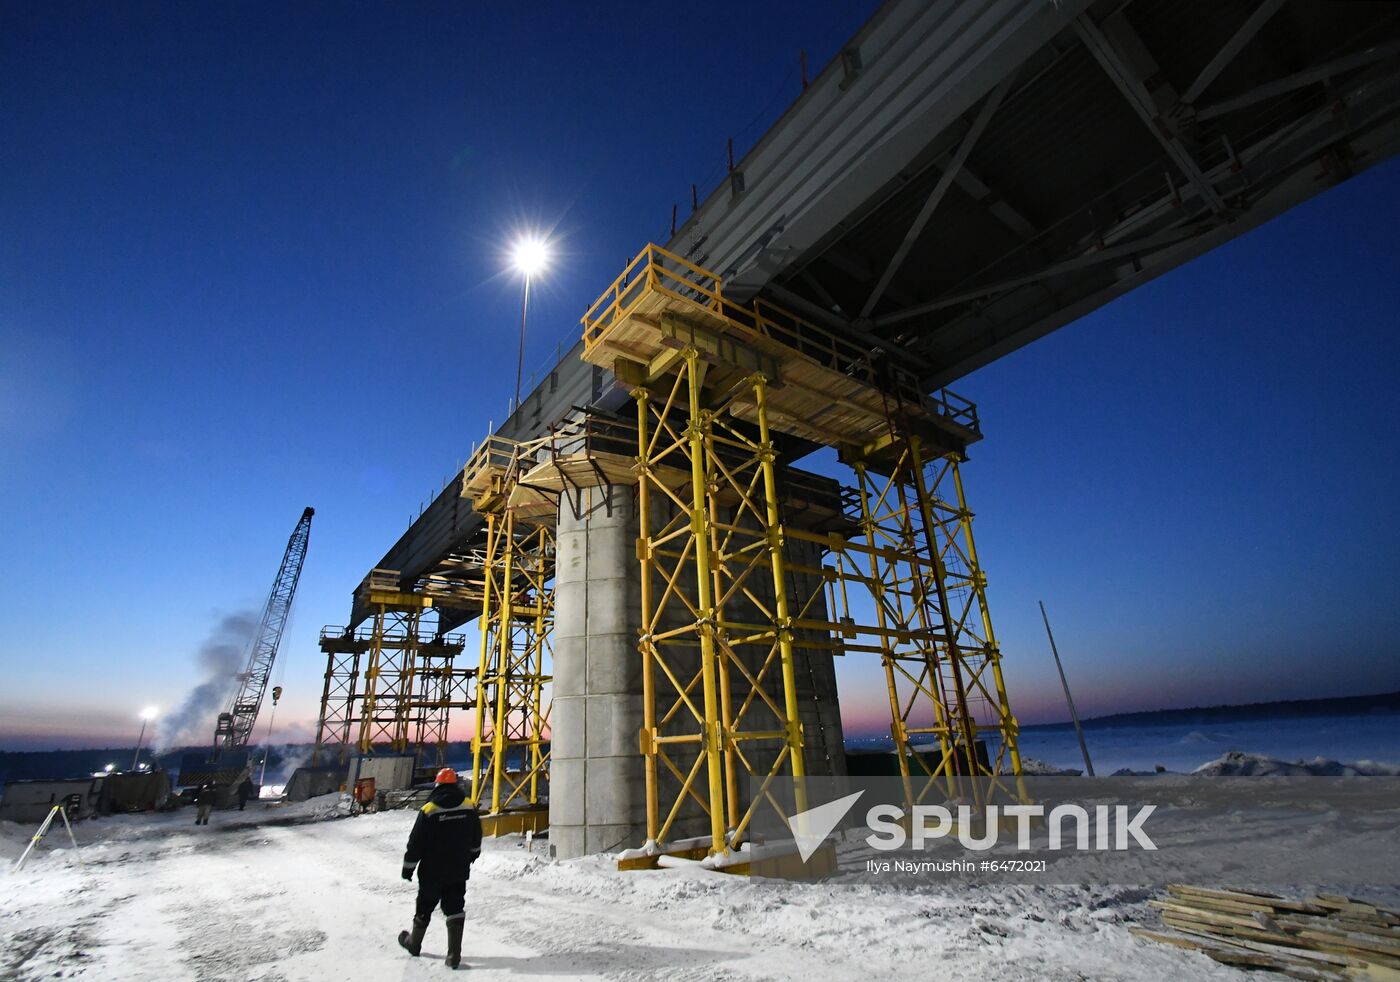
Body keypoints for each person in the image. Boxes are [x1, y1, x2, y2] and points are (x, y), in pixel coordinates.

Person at [398, 768, 481, 969]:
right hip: (457, 868)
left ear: (438, 785)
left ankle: (414, 944)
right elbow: (476, 835)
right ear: (455, 785)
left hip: (432, 870)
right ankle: (454, 955)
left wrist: (408, 867)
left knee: (425, 905)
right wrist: (472, 854)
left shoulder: (430, 809)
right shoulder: (469, 806)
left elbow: (415, 842)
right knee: (455, 907)